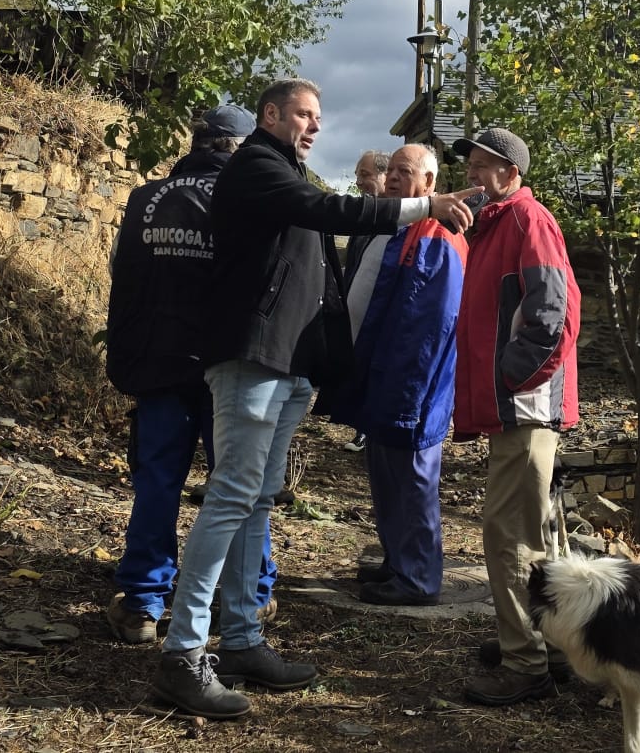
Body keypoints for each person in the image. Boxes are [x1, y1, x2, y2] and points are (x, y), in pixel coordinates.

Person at [152, 79, 479, 721]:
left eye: (318, 116)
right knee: (231, 496)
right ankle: (182, 654)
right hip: (252, 359)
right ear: (270, 115)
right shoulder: (256, 166)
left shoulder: (284, 171)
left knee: (256, 500)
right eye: (304, 114)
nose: (316, 125)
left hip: (286, 366)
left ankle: (241, 640)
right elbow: (331, 211)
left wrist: (320, 368)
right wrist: (425, 206)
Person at [101, 104, 277, 644]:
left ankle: (142, 603)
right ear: (238, 147)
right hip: (227, 365)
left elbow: (122, 274)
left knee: (157, 481)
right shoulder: (249, 197)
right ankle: (249, 596)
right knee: (239, 485)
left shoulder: (143, 199)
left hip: (158, 361)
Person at [449, 126, 580, 707]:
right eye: (471, 165)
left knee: (510, 536)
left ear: (511, 174)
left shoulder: (527, 220)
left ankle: (525, 663)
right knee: (537, 533)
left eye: (483, 166)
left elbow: (554, 314)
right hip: (517, 406)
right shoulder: (495, 226)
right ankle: (547, 645)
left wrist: (511, 380)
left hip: (524, 406)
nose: (472, 175)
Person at [329, 142, 467, 607]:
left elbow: (432, 323)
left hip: (412, 385)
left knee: (412, 480)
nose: (391, 177)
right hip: (383, 377)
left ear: (429, 183)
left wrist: (408, 392)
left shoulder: (437, 234)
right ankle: (398, 562)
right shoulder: (397, 227)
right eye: (391, 170)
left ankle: (418, 579)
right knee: (387, 476)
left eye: (404, 172)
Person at [337, 149, 393, 452]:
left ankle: (368, 431)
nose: (358, 182)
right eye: (358, 175)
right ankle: (361, 427)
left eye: (365, 175)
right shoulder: (364, 218)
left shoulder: (396, 220)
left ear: (385, 177)